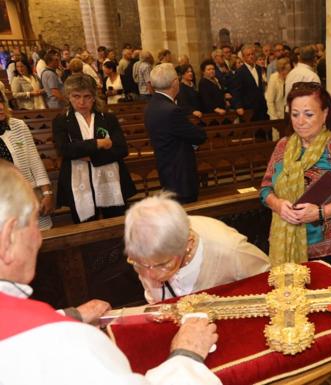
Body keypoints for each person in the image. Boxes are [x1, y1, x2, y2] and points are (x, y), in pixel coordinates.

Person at [0, 161, 223, 385]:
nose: (39, 238)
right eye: (34, 223)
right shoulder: (64, 345)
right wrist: (186, 356)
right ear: (9, 237)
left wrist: (69, 316)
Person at [260, 82, 331, 269]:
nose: (300, 121)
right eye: (295, 114)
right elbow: (265, 188)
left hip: (327, 250)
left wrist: (320, 212)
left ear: (325, 114)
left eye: (308, 114)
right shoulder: (283, 146)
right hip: (283, 241)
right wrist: (278, 205)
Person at [125, 193, 270, 304]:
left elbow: (269, 283)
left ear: (188, 244)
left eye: (163, 264)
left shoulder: (230, 249)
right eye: (140, 264)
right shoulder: (144, 248)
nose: (152, 275)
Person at [53, 74, 136, 223]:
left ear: (94, 97)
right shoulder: (61, 121)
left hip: (111, 180)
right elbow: (65, 150)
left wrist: (90, 157)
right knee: (85, 227)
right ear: (68, 97)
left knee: (117, 223)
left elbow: (121, 149)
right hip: (77, 183)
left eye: (87, 96)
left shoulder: (108, 118)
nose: (82, 102)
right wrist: (98, 143)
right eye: (76, 96)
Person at [144, 63, 207, 204]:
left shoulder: (151, 105)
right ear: (175, 83)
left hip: (166, 170)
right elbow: (199, 136)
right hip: (180, 175)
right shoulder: (171, 110)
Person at [0, 95, 53, 229]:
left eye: (1, 102)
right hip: (3, 203)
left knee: (40, 239)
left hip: (29, 196)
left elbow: (34, 160)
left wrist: (47, 193)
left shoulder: (18, 125)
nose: (0, 107)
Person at [231, 44, 269, 121]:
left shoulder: (259, 68)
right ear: (243, 57)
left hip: (261, 105)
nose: (251, 56)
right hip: (248, 107)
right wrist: (238, 106)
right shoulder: (240, 72)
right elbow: (236, 91)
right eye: (248, 55)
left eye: (252, 54)